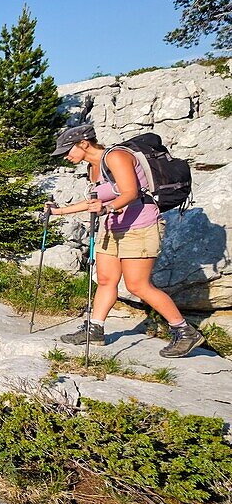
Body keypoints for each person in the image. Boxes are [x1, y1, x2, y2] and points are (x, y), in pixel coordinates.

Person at [45, 124, 204, 358]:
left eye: (67, 150)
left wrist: (107, 208)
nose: (65, 157)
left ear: (83, 143)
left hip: (140, 226)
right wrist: (58, 212)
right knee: (106, 280)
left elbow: (130, 192)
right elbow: (94, 202)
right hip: (112, 228)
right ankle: (95, 329)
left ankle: (184, 331)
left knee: (137, 285)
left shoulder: (117, 156)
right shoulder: (93, 168)